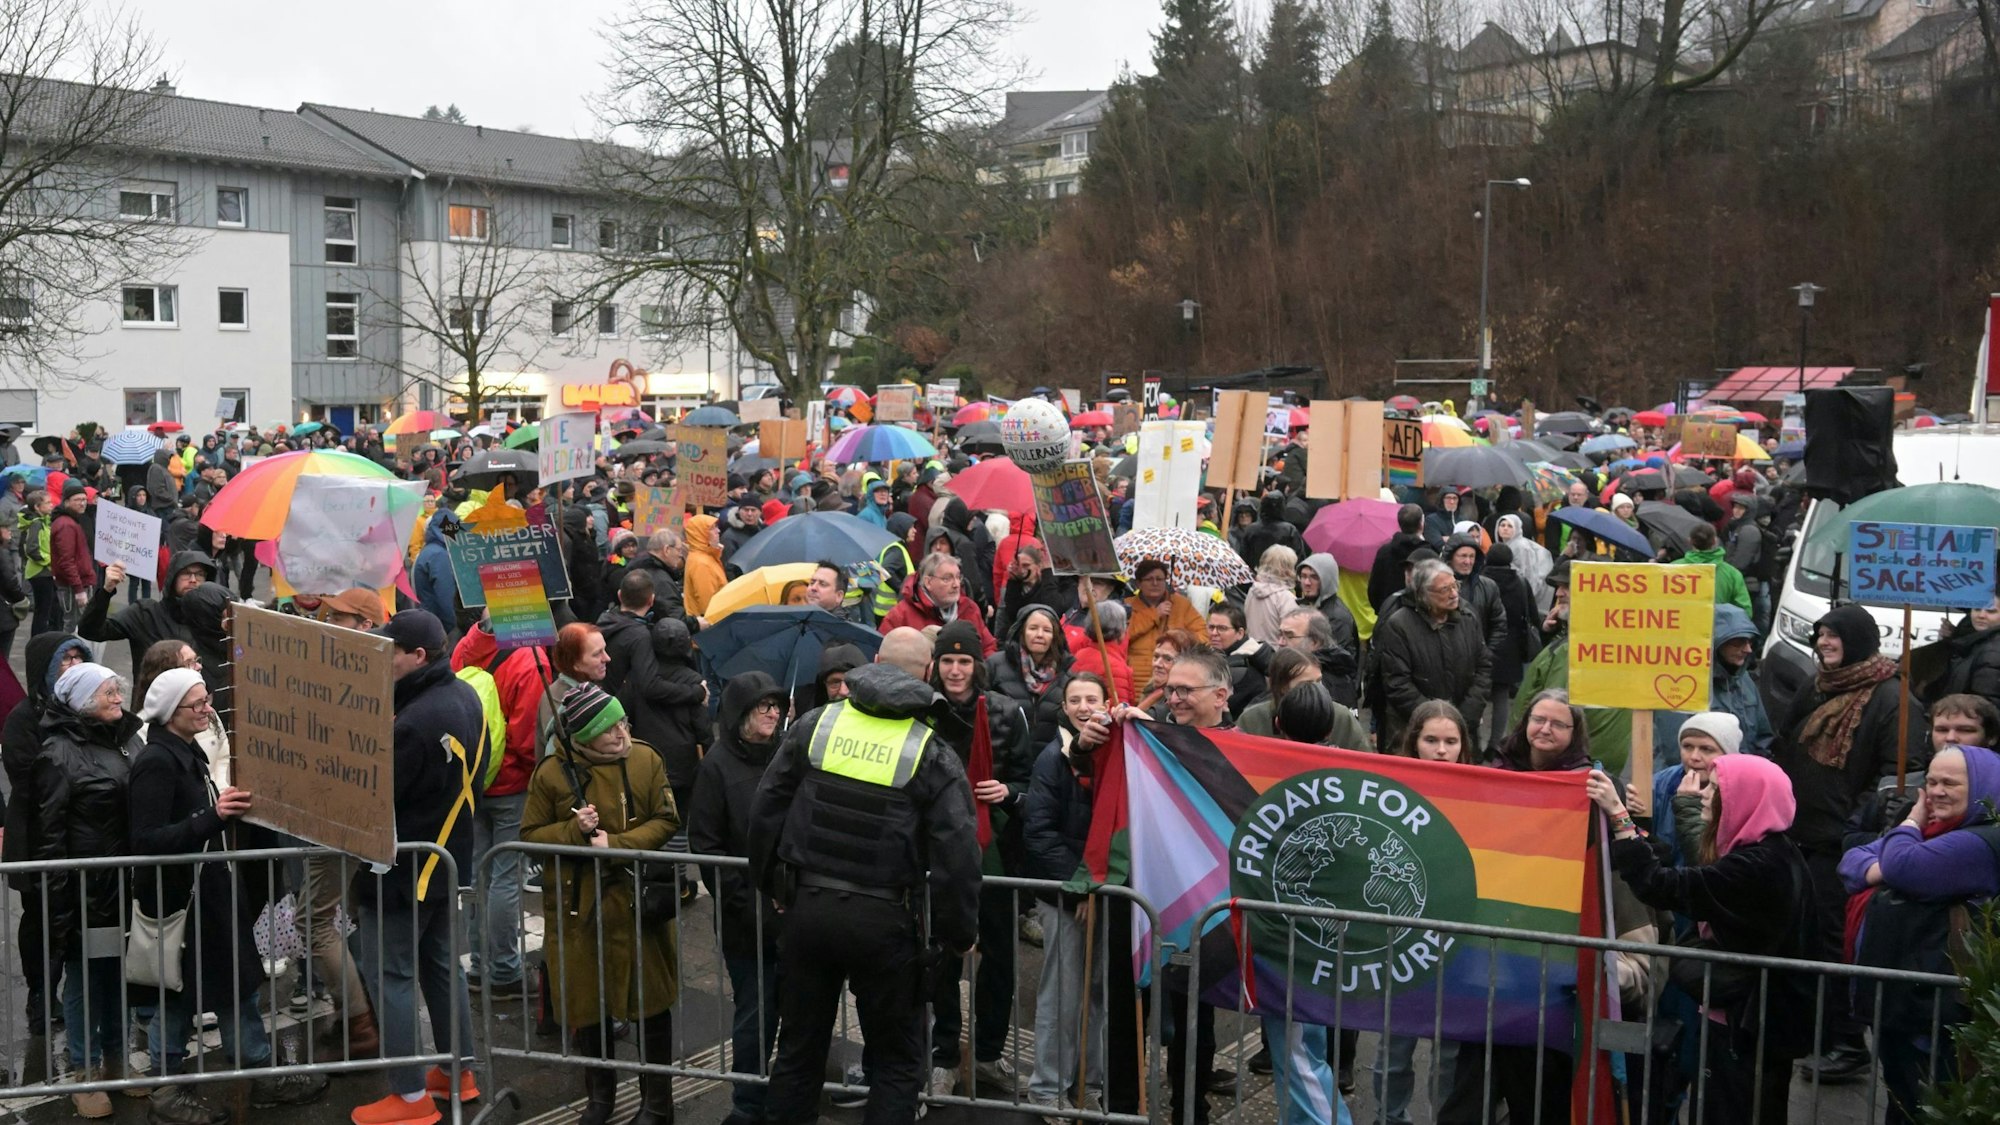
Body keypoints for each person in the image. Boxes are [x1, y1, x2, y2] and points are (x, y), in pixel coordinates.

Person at [748, 650, 981, 1125]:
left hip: (808, 909)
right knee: (896, 1062)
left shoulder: (818, 724)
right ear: (928, 671)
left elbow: (766, 807)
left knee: (798, 1052)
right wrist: (958, 934)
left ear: (875, 661)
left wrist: (772, 884)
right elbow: (958, 851)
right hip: (885, 921)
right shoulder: (929, 749)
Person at [129, 668, 328, 1122]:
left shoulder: (186, 749)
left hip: (210, 895)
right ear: (170, 712)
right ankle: (168, 1089)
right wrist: (213, 817)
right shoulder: (156, 761)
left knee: (237, 985)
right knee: (175, 995)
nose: (207, 709)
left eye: (207, 699)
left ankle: (259, 1072)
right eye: (196, 703)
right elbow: (146, 839)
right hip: (181, 901)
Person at [1592, 755, 1815, 1125]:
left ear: (1743, 800)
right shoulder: (1771, 851)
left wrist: (1618, 815)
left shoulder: (1756, 866)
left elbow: (1660, 884)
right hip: (1752, 1020)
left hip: (1746, 1026)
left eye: (1714, 788)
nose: (1704, 795)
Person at [1776, 602, 1924, 1083]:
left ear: (1858, 640)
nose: (1823, 642)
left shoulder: (1893, 698)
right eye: (1820, 634)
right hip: (1798, 834)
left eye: (1834, 635)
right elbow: (1784, 741)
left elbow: (1898, 774)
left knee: (1834, 941)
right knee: (1803, 935)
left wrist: (1854, 826)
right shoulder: (1817, 685)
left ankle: (1847, 1041)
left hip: (1842, 843)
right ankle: (1814, 1031)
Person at [521, 683, 680, 1125]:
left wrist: (618, 845)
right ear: (585, 737)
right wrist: (573, 831)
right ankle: (600, 1099)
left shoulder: (646, 759)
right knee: (588, 1004)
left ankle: (657, 1104)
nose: (621, 733)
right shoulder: (552, 773)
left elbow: (667, 818)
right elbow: (529, 836)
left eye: (622, 722)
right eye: (609, 729)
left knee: (650, 1003)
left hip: (637, 905)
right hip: (580, 910)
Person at [349, 611, 485, 1125]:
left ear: (418, 656)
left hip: (402, 872)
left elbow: (375, 799)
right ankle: (457, 1072)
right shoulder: (465, 695)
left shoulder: (413, 722)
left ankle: (409, 1097)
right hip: (448, 860)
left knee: (392, 978)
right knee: (442, 968)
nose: (383, 659)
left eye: (392, 651)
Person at [1839, 742, 2000, 1124]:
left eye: (1951, 783)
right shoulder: (1934, 832)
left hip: (1937, 1013)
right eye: (1932, 782)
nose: (1937, 792)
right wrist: (1889, 864)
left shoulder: (1980, 840)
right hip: (1905, 1004)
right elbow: (1850, 860)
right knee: (1902, 1101)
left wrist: (1909, 824)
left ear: (1984, 786)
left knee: (1924, 1105)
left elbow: (1903, 866)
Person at [924, 619, 1033, 1096]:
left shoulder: (1007, 712)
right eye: (947, 661)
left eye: (964, 661)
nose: (955, 670)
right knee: (943, 957)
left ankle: (988, 1053)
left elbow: (1029, 780)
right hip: (940, 851)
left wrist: (1008, 791)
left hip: (996, 853)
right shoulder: (923, 711)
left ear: (977, 665)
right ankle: (944, 1055)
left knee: (1000, 959)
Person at [32, 663, 137, 1117]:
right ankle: (85, 1071)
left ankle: (117, 1062)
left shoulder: (122, 739)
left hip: (122, 884)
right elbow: (49, 836)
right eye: (108, 692)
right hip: (85, 891)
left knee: (117, 977)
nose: (118, 698)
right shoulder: (57, 754)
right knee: (83, 982)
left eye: (117, 690)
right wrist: (58, 904)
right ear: (82, 702)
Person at [688, 672, 789, 1125]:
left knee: (799, 1010)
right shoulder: (716, 766)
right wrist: (747, 903)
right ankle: (748, 1104)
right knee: (756, 1013)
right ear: (740, 712)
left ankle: (788, 1095)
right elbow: (706, 845)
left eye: (777, 705)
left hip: (794, 912)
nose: (773, 713)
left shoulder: (788, 756)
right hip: (747, 919)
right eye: (763, 705)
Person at [1022, 672, 1111, 1120]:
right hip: (1065, 897)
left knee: (1097, 995)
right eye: (1074, 700)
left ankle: (1088, 1083)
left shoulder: (1117, 753)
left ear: (1106, 704)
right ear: (1063, 708)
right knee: (1062, 993)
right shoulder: (1051, 759)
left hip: (1109, 894)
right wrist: (1078, 889)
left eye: (1091, 698)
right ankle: (1047, 1088)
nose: (1082, 707)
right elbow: (1039, 833)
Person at [1, 631, 88, 1028]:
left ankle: (77, 994)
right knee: (39, 920)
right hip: (36, 837)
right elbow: (26, 779)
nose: (73, 665)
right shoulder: (23, 718)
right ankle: (41, 993)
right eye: (64, 659)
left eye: (78, 657)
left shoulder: (89, 707)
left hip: (83, 833)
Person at [1372, 559, 1492, 751]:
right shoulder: (1399, 625)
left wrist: (1464, 717)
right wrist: (1435, 722)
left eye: (1455, 585)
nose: (1454, 594)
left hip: (1463, 729)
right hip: (1413, 733)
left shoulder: (1468, 617)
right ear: (1423, 594)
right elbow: (1398, 683)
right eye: (1445, 589)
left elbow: (1483, 667)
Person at [1654, 605, 1774, 764]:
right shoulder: (1681, 684)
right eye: (1738, 642)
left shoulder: (1744, 680)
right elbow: (1675, 750)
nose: (1748, 649)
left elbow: (1763, 737)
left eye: (1749, 642)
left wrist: (1756, 769)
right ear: (1714, 643)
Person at [78, 550, 218, 671]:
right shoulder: (145, 614)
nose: (193, 580)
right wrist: (106, 592)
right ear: (173, 578)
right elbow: (91, 631)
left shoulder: (212, 618)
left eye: (199, 574)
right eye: (186, 573)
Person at [1238, 648, 1368, 751]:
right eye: (1307, 684)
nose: (1316, 688)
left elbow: (1364, 764)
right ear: (1282, 687)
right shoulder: (1252, 720)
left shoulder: (1340, 717)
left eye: (1319, 681)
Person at [989, 604, 1074, 753]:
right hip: (1005, 756)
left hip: (1049, 758)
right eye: (1033, 628)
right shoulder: (995, 665)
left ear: (1055, 636)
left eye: (1047, 630)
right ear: (1021, 631)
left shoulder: (1067, 674)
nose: (1039, 635)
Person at [1481, 542, 1543, 743]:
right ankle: (1495, 743)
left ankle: (1472, 742)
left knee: (1476, 695)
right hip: (1511, 648)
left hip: (1481, 644)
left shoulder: (1480, 582)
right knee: (1501, 697)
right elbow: (1533, 615)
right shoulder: (1521, 583)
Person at [879, 552, 997, 654]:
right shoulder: (900, 615)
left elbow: (989, 647)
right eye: (947, 579)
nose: (956, 585)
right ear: (928, 582)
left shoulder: (969, 608)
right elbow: (883, 653)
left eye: (958, 577)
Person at [1123, 560, 1204, 685]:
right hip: (1135, 679)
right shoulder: (1127, 605)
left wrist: (1178, 639)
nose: (1155, 583)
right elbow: (1122, 636)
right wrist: (1154, 614)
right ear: (1138, 583)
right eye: (1149, 579)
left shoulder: (1181, 605)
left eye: (1160, 579)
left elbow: (1203, 637)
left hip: (1173, 679)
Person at [1277, 608, 1361, 708]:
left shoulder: (1324, 682)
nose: (1280, 642)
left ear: (1314, 642)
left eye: (1289, 636)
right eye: (1280, 635)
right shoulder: (1337, 667)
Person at [1936, 593, 2000, 711]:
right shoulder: (1974, 641)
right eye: (1977, 608)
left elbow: (1986, 708)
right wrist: (1952, 638)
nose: (1981, 615)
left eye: (1991, 611)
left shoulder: (1992, 652)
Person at [1207, 604, 1271, 716]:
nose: (1214, 633)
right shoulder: (1214, 655)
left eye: (1222, 628)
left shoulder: (1247, 668)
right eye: (1211, 627)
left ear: (1240, 633)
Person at [48, 481, 94, 631]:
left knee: (77, 625)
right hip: (72, 586)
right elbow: (66, 561)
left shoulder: (71, 521)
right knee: (74, 627)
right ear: (66, 502)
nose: (82, 503)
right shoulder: (66, 525)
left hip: (77, 583)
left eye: (84, 499)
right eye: (77, 500)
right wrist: (79, 590)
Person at [1368, 504, 1430, 614]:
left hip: (1388, 613)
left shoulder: (1384, 551)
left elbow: (1374, 589)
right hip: (1420, 616)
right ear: (1422, 523)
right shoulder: (1428, 554)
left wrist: (1382, 610)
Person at [1295, 553, 1360, 659]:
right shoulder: (1305, 607)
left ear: (1327, 580)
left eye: (1314, 577)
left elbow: (1336, 660)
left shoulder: (1337, 617)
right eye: (1303, 576)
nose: (1306, 582)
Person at [1678, 522, 1752, 615]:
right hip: (1719, 624)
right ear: (1715, 541)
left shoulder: (1673, 569)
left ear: (1690, 541)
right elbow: (1745, 611)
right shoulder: (1732, 574)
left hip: (1682, 622)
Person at [998, 544, 1068, 641]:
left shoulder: (1050, 585)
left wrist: (1047, 572)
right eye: (1018, 565)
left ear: (1038, 566)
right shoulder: (1015, 587)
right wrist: (1013, 581)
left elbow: (1052, 608)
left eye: (1026, 565)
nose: (1021, 570)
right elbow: (1010, 615)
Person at [1494, 514, 1554, 615]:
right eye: (1502, 525)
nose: (1505, 528)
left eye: (1510, 526)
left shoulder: (1521, 547)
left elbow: (1528, 573)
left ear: (1517, 528)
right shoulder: (1506, 545)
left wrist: (1527, 597)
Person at [411, 510, 460, 632]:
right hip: (439, 626)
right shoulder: (440, 555)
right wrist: (454, 627)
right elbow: (446, 596)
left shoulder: (430, 550)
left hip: (428, 621)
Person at [1244, 545, 1299, 646]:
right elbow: (1291, 632)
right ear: (1287, 569)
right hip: (1276, 651)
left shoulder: (1252, 591)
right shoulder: (1286, 598)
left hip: (1251, 649)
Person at [681, 513, 728, 620]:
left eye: (716, 527)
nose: (718, 531)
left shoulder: (705, 556)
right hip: (712, 624)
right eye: (712, 528)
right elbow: (709, 606)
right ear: (701, 534)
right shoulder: (701, 564)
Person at [1397, 698, 1473, 763]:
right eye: (1431, 741)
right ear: (1414, 743)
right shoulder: (1393, 775)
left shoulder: (1476, 776)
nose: (1441, 750)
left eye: (1450, 742)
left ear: (1462, 745)